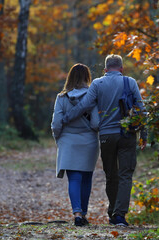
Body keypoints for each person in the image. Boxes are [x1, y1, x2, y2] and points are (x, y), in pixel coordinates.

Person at [62, 54, 147, 227]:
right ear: (121, 69)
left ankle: (112, 213)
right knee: (125, 175)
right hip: (127, 134)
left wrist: (66, 118)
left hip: (107, 135)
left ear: (105, 69)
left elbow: (84, 105)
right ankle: (119, 216)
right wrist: (144, 134)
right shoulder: (129, 82)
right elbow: (141, 109)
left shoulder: (98, 83)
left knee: (111, 175)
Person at [51, 63, 100, 227]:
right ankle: (84, 214)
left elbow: (56, 123)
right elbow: (95, 123)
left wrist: (59, 139)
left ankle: (77, 214)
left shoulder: (61, 97)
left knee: (74, 178)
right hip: (88, 142)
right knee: (86, 179)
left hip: (68, 141)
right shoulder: (92, 97)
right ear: (87, 77)